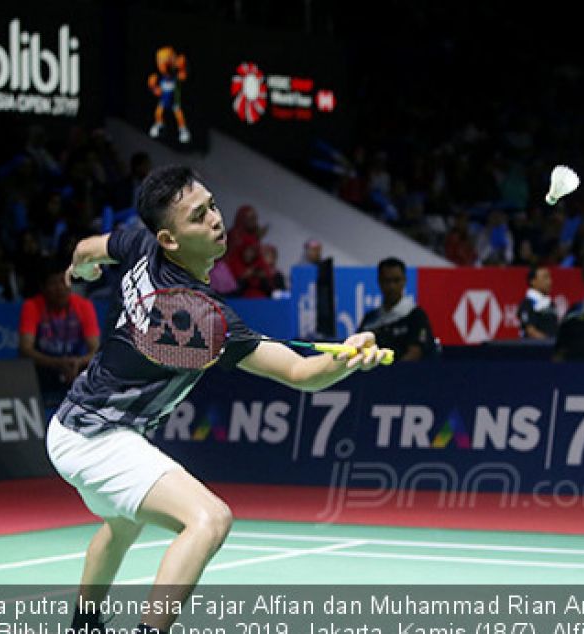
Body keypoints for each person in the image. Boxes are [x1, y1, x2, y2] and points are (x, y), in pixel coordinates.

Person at [52, 165, 390, 634]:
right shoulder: (202, 321)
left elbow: (90, 248)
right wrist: (346, 361)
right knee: (209, 520)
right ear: (170, 239)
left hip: (77, 423)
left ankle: (82, 625)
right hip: (96, 437)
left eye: (212, 205)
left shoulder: (140, 244)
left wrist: (80, 266)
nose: (215, 219)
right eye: (198, 216)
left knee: (121, 525)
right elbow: (299, 372)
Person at [18, 262, 101, 409]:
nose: (60, 289)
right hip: (43, 367)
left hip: (74, 365)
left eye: (63, 281)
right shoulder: (32, 306)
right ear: (43, 288)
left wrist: (79, 362)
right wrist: (57, 363)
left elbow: (95, 348)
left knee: (97, 368)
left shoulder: (83, 305)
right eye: (53, 284)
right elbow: (26, 349)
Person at [358, 257, 435, 361]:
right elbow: (358, 350)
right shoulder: (370, 319)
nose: (392, 286)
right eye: (386, 281)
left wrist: (392, 372)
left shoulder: (416, 315)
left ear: (404, 281)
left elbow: (415, 352)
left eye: (396, 280)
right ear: (379, 281)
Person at [517, 265, 559, 340]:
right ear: (533, 281)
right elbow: (530, 331)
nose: (549, 281)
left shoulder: (551, 304)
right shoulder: (527, 304)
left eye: (549, 277)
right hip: (537, 348)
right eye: (545, 277)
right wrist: (549, 343)